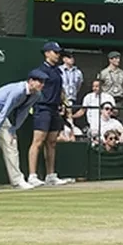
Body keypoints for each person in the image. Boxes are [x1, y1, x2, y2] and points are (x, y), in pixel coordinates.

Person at [0, 75, 45, 192]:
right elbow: (6, 110)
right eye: (39, 82)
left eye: (43, 83)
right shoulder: (17, 91)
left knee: (11, 143)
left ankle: (17, 181)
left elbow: (24, 111)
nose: (42, 85)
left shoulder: (36, 95)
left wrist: (13, 129)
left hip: (0, 114)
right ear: (31, 81)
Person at [26, 42, 72, 187]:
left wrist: (63, 104)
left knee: (52, 143)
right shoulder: (39, 71)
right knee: (38, 141)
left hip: (55, 109)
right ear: (47, 53)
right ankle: (32, 176)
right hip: (42, 108)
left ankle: (51, 175)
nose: (58, 55)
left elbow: (61, 91)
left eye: (58, 53)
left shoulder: (58, 72)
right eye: (55, 52)